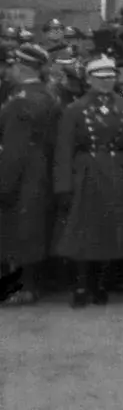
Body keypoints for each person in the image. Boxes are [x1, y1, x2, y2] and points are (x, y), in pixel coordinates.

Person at [53, 55, 123, 308]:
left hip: (115, 174)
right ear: (89, 80)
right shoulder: (75, 110)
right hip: (85, 173)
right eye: (100, 78)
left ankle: (101, 284)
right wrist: (63, 186)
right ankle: (82, 284)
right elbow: (64, 150)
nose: (106, 83)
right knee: (84, 230)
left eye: (110, 78)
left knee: (110, 229)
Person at [0, 43, 60, 304]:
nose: (9, 70)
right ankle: (32, 284)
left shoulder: (21, 101)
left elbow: (15, 148)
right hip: (42, 166)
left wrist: (5, 183)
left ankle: (24, 288)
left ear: (22, 67)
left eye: (12, 65)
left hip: (23, 171)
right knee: (33, 225)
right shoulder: (47, 94)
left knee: (19, 228)